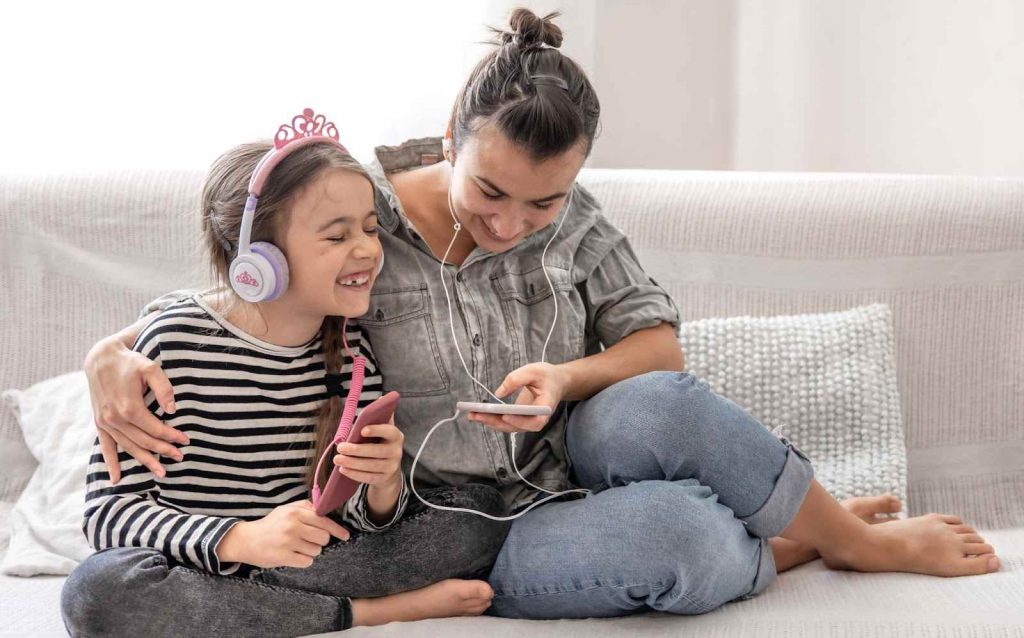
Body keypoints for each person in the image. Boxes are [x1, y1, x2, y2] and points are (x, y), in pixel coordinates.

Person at [82, 8, 1000, 623]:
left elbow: (657, 344)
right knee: (673, 537)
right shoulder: (357, 215)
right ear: (449, 137)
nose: (509, 224)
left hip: (575, 460)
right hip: (469, 522)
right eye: (489, 190)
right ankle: (785, 544)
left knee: (661, 401)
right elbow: (248, 290)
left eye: (544, 203)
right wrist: (107, 352)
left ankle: (855, 542)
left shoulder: (575, 218)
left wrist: (566, 379)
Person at [61, 113, 510, 638]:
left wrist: (384, 485)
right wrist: (239, 539)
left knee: (477, 513)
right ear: (260, 260)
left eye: (369, 227)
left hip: (309, 561)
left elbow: (355, 520)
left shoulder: (353, 350)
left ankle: (255, 611)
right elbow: (109, 515)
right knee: (98, 592)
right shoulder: (169, 345)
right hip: (195, 564)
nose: (367, 249)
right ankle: (367, 611)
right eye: (336, 235)